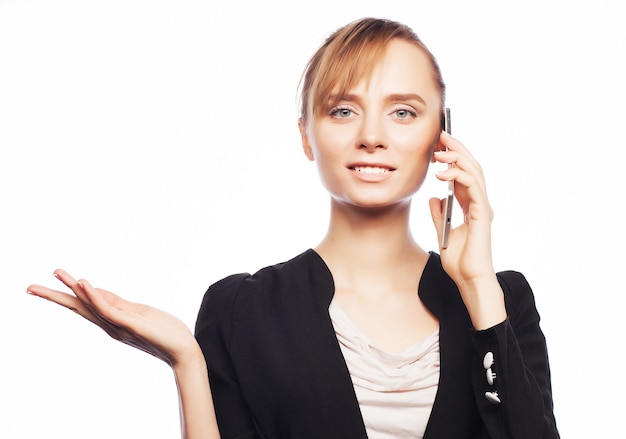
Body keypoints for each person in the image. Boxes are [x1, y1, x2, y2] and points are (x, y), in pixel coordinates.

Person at [27, 17, 560, 439]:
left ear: (442, 135)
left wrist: (477, 288)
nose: (372, 135)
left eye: (402, 112)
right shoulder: (240, 310)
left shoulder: (503, 300)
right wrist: (187, 363)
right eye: (343, 110)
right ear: (306, 135)